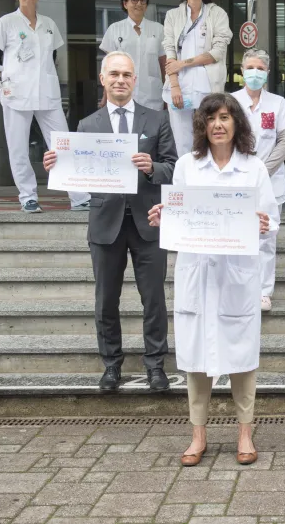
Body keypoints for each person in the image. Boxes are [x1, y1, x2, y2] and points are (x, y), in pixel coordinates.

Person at [148, 93, 279, 467]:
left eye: (225, 117)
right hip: (198, 273)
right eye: (211, 119)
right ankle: (197, 436)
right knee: (195, 361)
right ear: (202, 126)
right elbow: (180, 215)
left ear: (237, 123)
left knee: (242, 359)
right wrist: (164, 217)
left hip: (236, 276)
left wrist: (265, 225)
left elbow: (270, 222)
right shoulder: (188, 165)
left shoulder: (253, 168)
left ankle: (244, 434)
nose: (218, 125)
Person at [43, 51, 177, 391]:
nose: (120, 80)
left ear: (135, 80)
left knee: (154, 300)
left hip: (149, 222)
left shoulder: (156, 120)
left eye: (127, 74)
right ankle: (111, 366)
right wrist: (56, 166)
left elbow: (174, 168)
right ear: (103, 79)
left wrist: (152, 167)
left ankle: (156, 366)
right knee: (105, 300)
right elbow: (77, 172)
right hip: (105, 223)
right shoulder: (88, 125)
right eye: (114, 74)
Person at [0, 0, 91, 213]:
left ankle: (78, 196)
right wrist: (5, 83)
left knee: (62, 143)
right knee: (18, 148)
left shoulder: (49, 24)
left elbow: (52, 58)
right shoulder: (5, 23)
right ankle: (28, 196)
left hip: (47, 93)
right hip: (16, 94)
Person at [232, 49, 285, 311]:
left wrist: (263, 171)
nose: (255, 73)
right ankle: (238, 289)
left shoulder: (277, 103)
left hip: (270, 180)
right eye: (250, 68)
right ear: (242, 71)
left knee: (266, 237)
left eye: (260, 68)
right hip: (236, 177)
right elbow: (222, 137)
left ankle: (263, 292)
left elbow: (284, 141)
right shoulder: (230, 102)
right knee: (237, 236)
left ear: (267, 73)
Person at [162, 0, 233, 156]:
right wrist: (174, 84)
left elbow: (217, 52)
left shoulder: (217, 14)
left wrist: (183, 63)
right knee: (181, 140)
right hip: (180, 88)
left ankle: (208, 183)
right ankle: (184, 183)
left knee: (210, 136)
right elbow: (169, 50)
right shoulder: (173, 15)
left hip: (207, 87)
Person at [99, 0, 166, 111]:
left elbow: (164, 65)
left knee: (150, 130)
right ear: (125, 4)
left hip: (152, 95)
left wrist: (168, 94)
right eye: (134, 0)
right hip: (121, 93)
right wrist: (105, 96)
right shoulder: (114, 29)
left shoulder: (158, 30)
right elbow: (107, 68)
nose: (139, 4)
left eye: (142, 0)